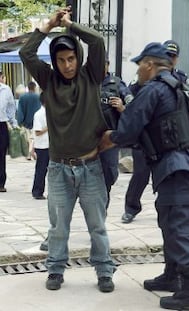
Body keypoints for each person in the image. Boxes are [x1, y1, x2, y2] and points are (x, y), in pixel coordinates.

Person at [100, 42, 189, 310]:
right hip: (186, 163)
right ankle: (173, 276)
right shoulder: (181, 87)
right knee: (170, 220)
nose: (137, 74)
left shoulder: (154, 89)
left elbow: (128, 128)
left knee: (179, 225)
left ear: (149, 64)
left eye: (139, 67)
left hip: (177, 166)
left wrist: (108, 138)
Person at [19, 6, 116, 292]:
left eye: (71, 58)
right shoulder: (48, 81)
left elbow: (97, 40)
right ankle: (56, 269)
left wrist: (70, 25)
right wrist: (49, 25)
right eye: (61, 60)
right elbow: (27, 53)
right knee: (58, 227)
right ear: (55, 61)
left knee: (97, 226)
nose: (67, 65)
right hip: (59, 169)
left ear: (78, 57)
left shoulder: (91, 77)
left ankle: (104, 271)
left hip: (90, 167)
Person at [121, 39, 189, 224]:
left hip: (168, 141)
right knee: (140, 175)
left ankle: (168, 209)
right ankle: (131, 207)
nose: (171, 58)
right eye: (168, 55)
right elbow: (130, 94)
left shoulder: (181, 78)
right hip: (145, 136)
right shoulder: (147, 78)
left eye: (173, 56)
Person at [99, 55, 133, 208]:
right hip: (89, 137)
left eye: (102, 64)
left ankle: (102, 200)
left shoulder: (118, 84)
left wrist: (121, 108)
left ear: (107, 65)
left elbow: (133, 108)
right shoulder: (87, 82)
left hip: (110, 139)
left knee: (110, 172)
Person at [0, 71, 18, 193]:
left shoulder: (6, 90)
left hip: (2, 125)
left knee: (1, 154)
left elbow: (11, 107)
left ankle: (1, 182)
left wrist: (13, 123)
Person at [16, 81, 41, 160]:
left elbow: (20, 110)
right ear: (34, 88)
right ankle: (31, 152)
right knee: (33, 138)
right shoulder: (38, 97)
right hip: (36, 121)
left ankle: (29, 154)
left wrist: (20, 121)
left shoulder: (22, 97)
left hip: (26, 122)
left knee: (28, 138)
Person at [31, 92, 48, 200]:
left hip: (51, 145)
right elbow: (37, 132)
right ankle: (37, 191)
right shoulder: (39, 114)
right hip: (42, 146)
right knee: (41, 169)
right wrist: (49, 126)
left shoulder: (53, 113)